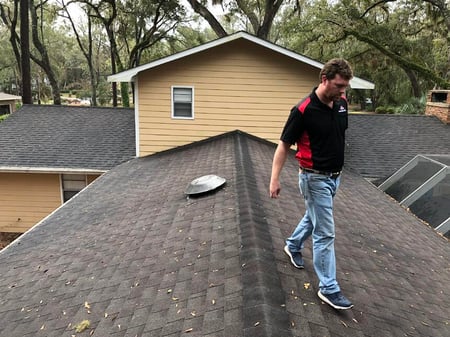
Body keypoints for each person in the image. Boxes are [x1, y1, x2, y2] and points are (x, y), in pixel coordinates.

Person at [269, 58, 354, 310]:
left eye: (346, 87)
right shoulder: (303, 110)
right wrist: (274, 178)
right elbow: (284, 145)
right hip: (313, 177)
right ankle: (328, 287)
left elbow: (338, 135)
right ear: (324, 79)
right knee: (325, 233)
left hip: (334, 177)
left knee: (313, 216)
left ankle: (293, 244)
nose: (342, 91)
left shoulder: (342, 104)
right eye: (339, 85)